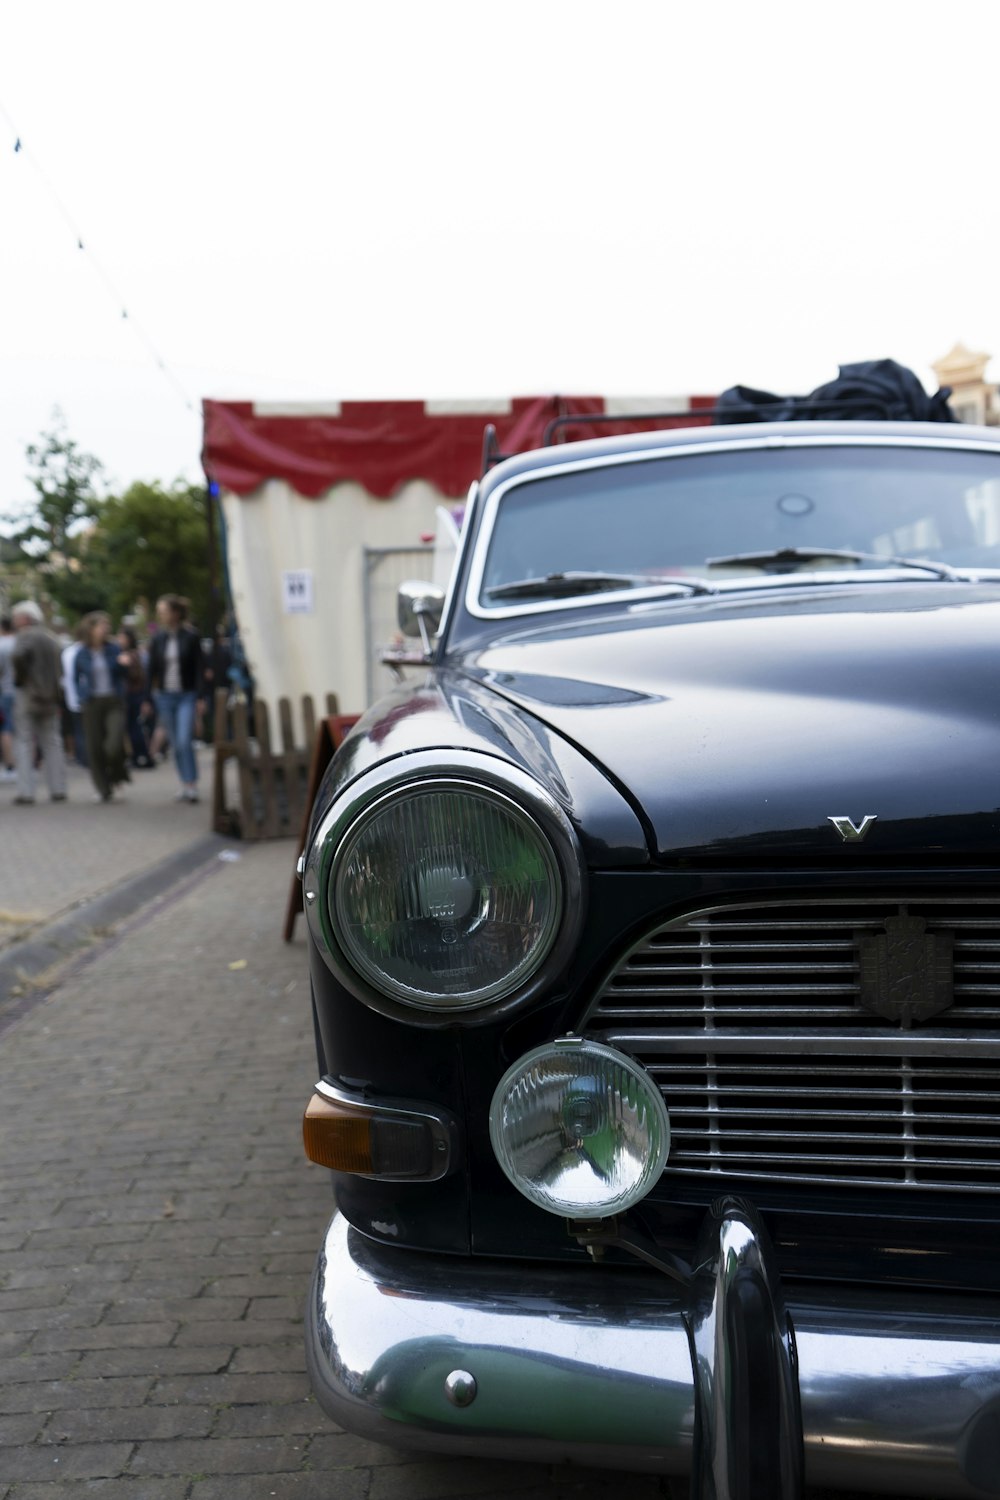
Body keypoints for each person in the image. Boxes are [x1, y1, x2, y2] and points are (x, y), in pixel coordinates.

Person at [147, 594, 205, 802]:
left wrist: (200, 697)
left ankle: (191, 783)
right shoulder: (158, 638)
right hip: (164, 696)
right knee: (174, 742)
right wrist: (147, 698)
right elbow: (151, 670)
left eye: (163, 610)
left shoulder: (191, 636)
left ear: (175, 613)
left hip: (186, 695)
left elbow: (199, 668)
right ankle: (184, 783)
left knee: (184, 740)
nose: (160, 615)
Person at [10, 600, 67, 805]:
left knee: (25, 742)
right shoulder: (51, 637)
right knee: (52, 741)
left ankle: (26, 792)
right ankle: (58, 788)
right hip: (50, 697)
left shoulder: (25, 636)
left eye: (17, 617)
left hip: (29, 695)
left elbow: (18, 656)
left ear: (24, 618)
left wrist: (21, 678)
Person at [75, 612, 128, 803]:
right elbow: (75, 679)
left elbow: (124, 673)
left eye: (107, 626)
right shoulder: (81, 652)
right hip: (92, 702)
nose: (106, 629)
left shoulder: (114, 648)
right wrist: (80, 699)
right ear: (91, 628)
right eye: (101, 626)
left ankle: (117, 777)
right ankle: (103, 788)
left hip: (113, 700)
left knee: (113, 744)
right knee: (94, 747)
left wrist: (123, 663)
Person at [117, 624, 154, 769]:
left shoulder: (133, 655)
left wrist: (124, 665)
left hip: (134, 695)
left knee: (135, 728)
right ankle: (138, 756)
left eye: (122, 637)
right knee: (133, 727)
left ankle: (143, 756)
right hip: (131, 695)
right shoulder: (126, 653)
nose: (119, 640)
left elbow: (139, 676)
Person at [61, 623, 88, 768]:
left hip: (72, 696)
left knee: (78, 728)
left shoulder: (68, 652)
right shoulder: (83, 651)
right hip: (85, 697)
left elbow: (63, 677)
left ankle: (82, 757)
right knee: (86, 729)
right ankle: (87, 758)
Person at [0, 614, 16, 780]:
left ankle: (11, 767)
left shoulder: (2, 645)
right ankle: (28, 765)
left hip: (6, 692)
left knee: (6, 730)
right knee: (25, 732)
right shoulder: (20, 642)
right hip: (25, 693)